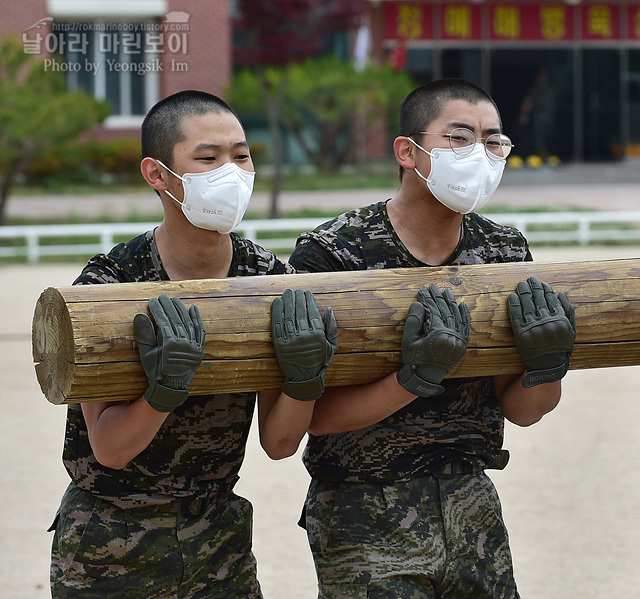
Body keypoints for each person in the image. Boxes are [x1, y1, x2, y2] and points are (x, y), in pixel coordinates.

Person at [272, 78, 576, 597]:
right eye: (459, 138)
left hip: (471, 499)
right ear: (407, 152)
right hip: (361, 507)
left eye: (494, 141)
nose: (479, 154)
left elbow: (522, 409)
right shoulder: (334, 254)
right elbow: (310, 418)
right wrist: (411, 380)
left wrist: (546, 367)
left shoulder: (503, 250)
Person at [48, 90, 334, 598]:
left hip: (218, 538)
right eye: (208, 158)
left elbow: (279, 443)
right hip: (109, 539)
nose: (232, 171)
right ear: (158, 175)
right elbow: (110, 449)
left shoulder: (267, 279)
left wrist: (304, 379)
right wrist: (164, 390)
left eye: (242, 156)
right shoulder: (110, 285)